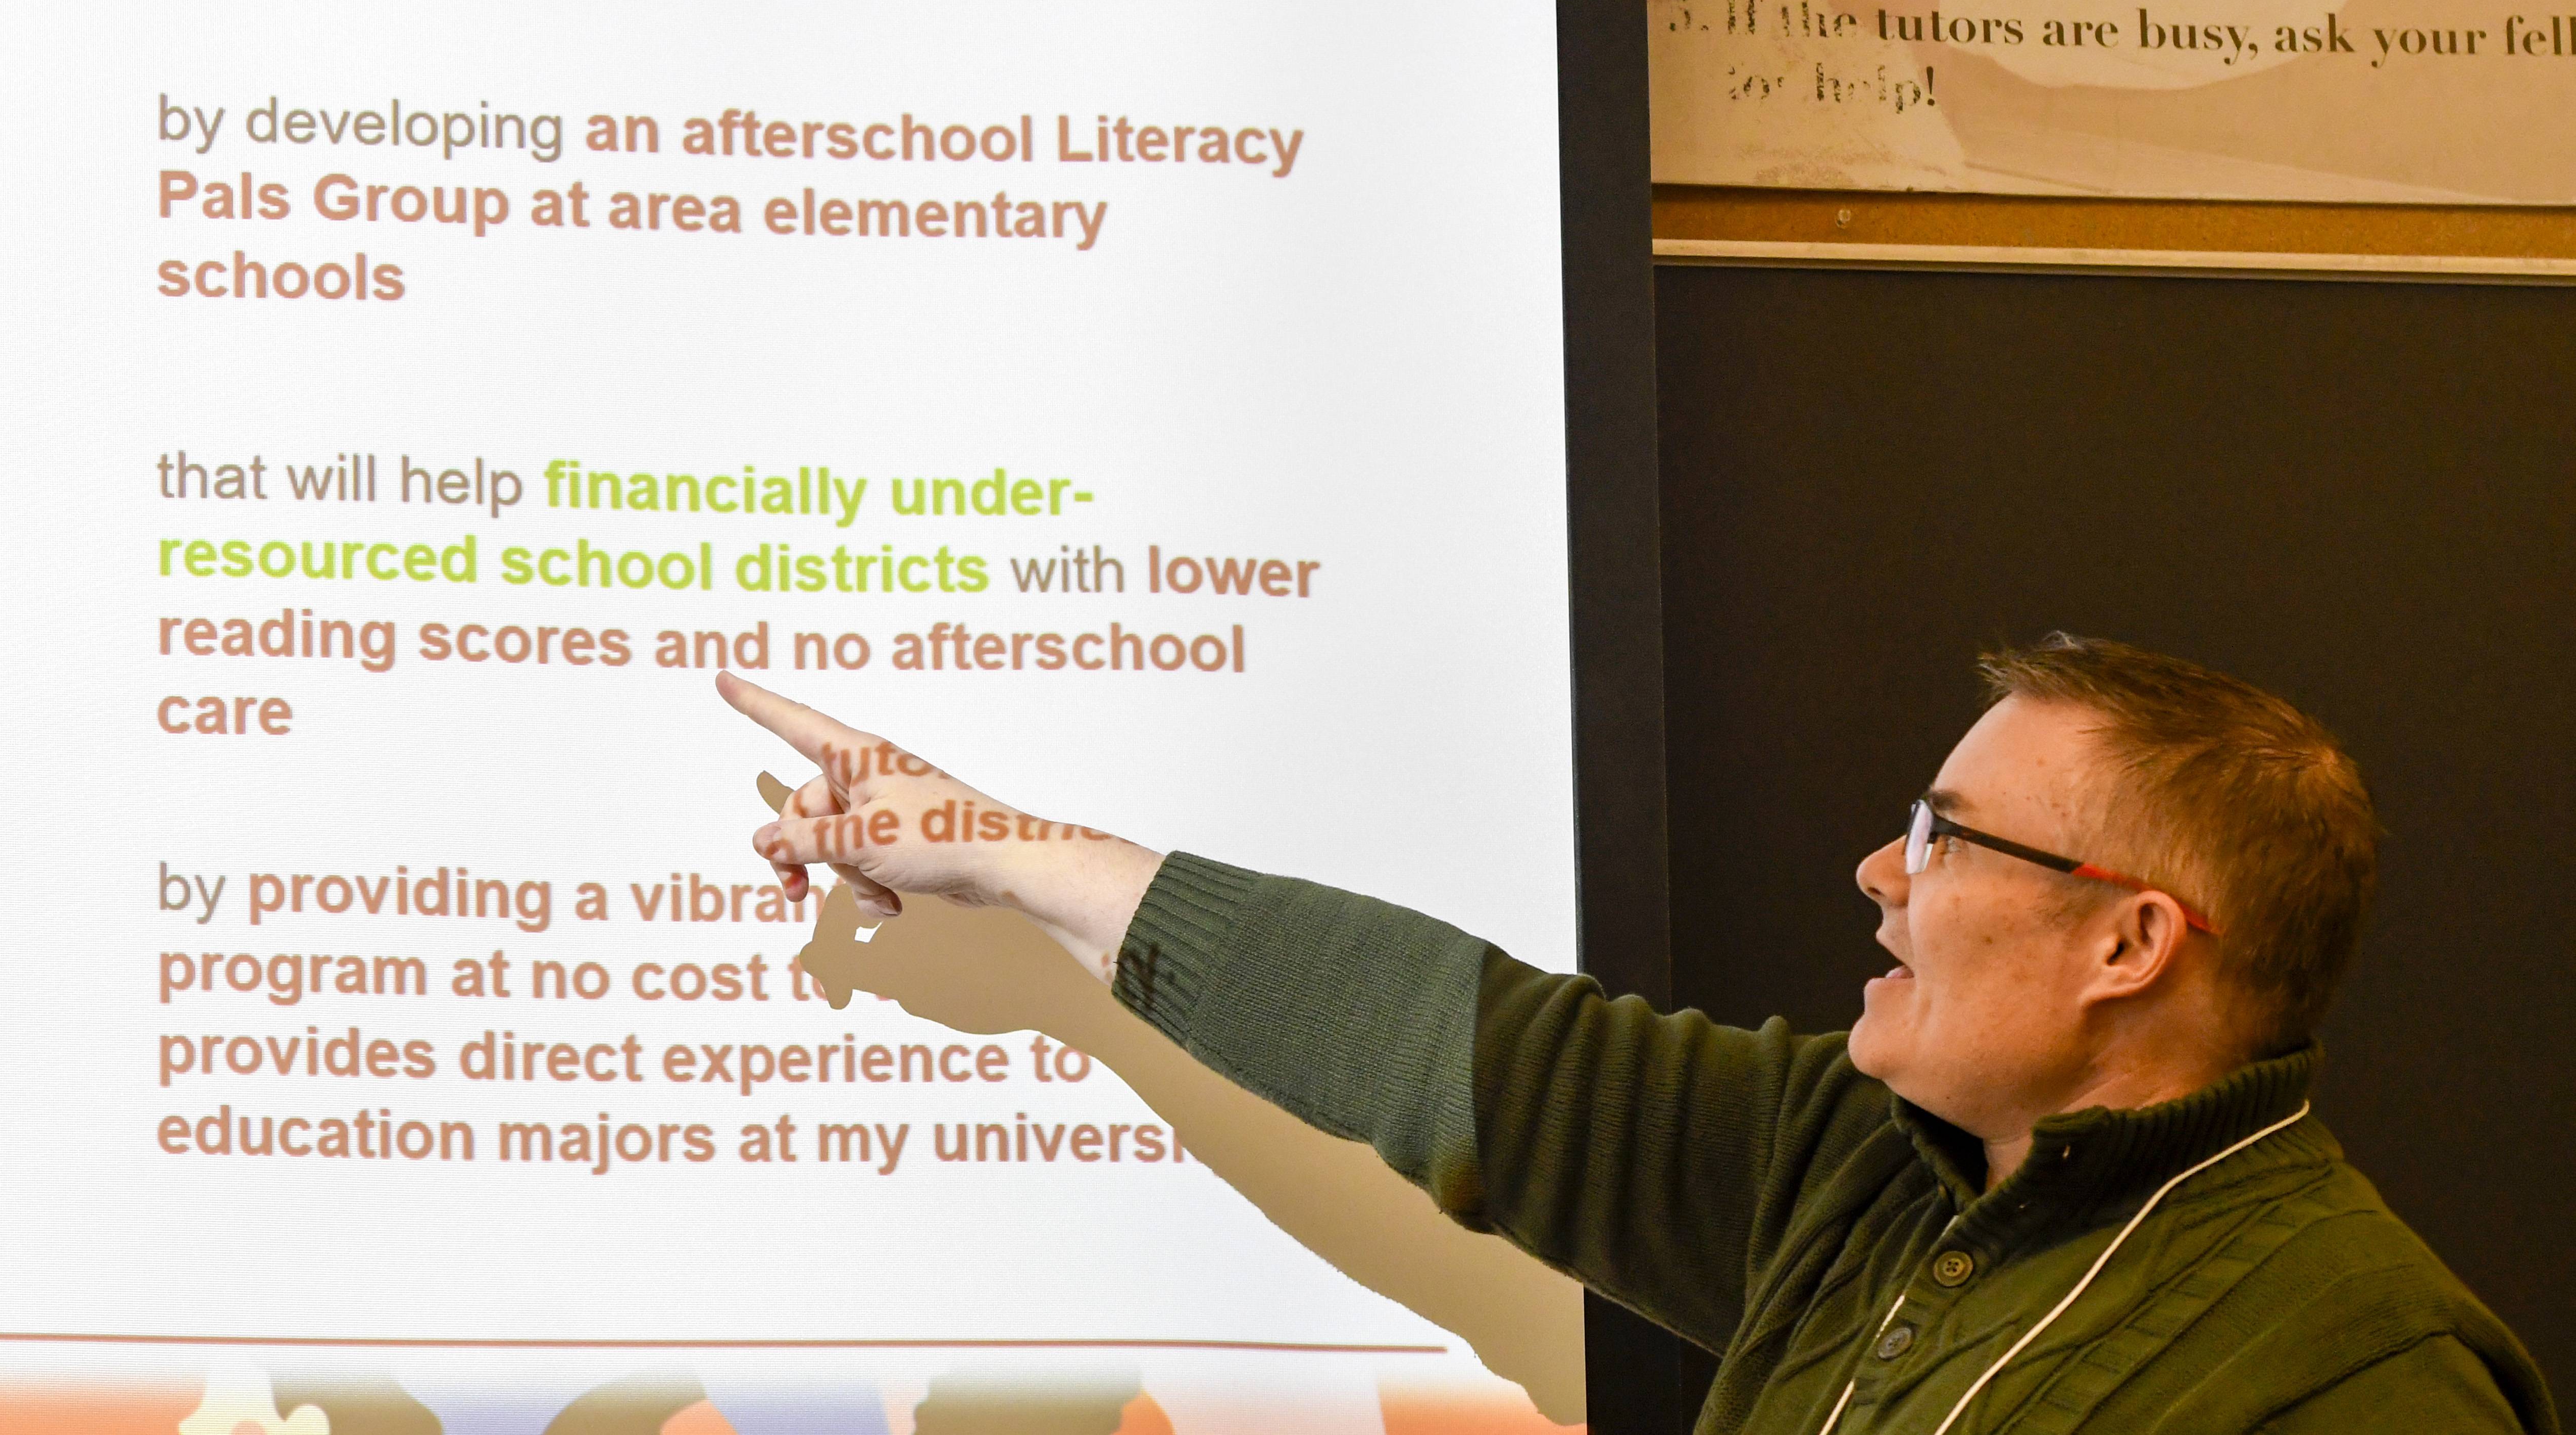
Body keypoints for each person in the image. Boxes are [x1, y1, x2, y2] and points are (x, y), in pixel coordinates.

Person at [715, 635, 2558, 1433]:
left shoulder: (2360, 1373)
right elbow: (1447, 1042)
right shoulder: (1863, 1161)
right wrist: (1008, 850)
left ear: (2132, 943)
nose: (1875, 873)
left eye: (1939, 835)